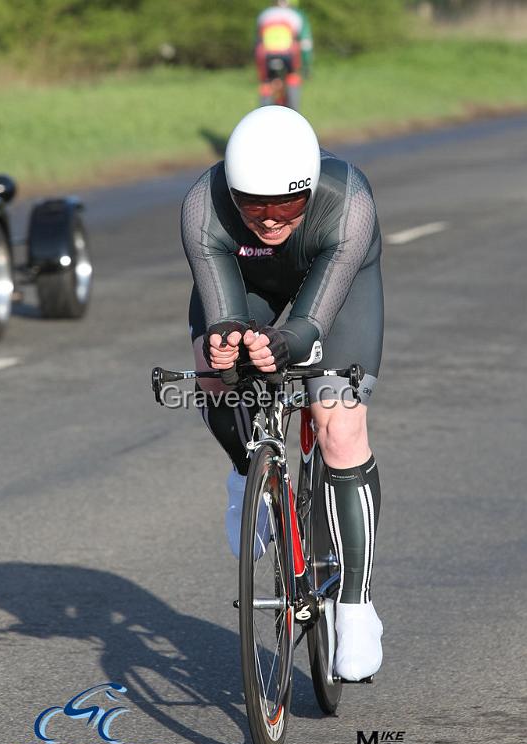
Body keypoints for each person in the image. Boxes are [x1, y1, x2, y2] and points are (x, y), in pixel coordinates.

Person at [181, 106, 384, 682]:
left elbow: (312, 324)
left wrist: (287, 344)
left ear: (310, 190)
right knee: (210, 368)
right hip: (247, 287)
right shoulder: (203, 203)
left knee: (338, 422)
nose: (271, 221)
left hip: (336, 292)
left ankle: (356, 606)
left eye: (288, 205)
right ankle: (247, 475)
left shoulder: (349, 198)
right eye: (254, 206)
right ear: (231, 192)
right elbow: (221, 313)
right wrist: (225, 344)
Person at [255, 0, 313, 111]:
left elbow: (257, 42)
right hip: (289, 56)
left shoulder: (264, 15)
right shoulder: (295, 16)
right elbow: (305, 44)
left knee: (266, 82)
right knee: (293, 76)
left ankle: (263, 108)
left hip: (266, 57)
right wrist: (306, 65)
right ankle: (294, 111)